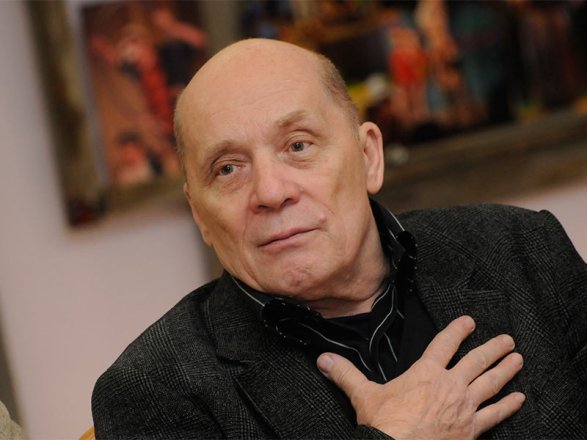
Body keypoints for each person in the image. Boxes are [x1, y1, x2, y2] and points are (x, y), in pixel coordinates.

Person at [92, 38, 587, 439]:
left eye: (298, 145)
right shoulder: (152, 390)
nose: (271, 192)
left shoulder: (522, 247)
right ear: (199, 213)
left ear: (369, 156)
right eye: (228, 169)